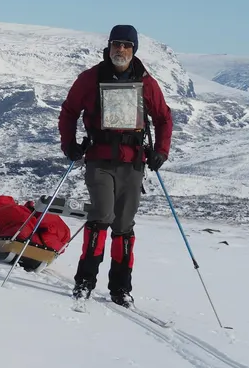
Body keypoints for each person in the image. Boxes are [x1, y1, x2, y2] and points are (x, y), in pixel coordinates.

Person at [59, 25, 172, 307]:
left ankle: (120, 288)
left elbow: (163, 118)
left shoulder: (147, 83)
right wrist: (69, 144)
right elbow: (69, 111)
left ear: (134, 49)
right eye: (115, 44)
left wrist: (161, 151)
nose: (119, 49)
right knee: (101, 215)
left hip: (133, 162)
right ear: (108, 47)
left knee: (124, 224)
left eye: (125, 45)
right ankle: (84, 282)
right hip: (99, 159)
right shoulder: (90, 79)